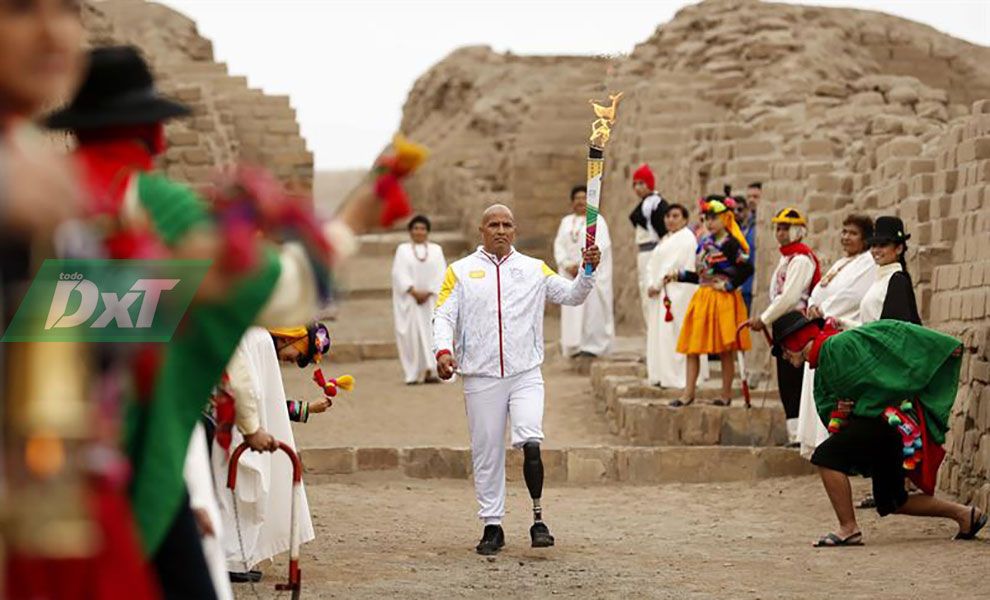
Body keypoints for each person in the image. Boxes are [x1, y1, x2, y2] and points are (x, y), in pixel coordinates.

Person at [433, 204, 600, 555]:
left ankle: (539, 520)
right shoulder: (460, 272)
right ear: (482, 230)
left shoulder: (533, 269)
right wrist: (443, 350)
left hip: (525, 372)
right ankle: (492, 526)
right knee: (487, 452)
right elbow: (444, 315)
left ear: (515, 230)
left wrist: (588, 269)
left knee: (531, 438)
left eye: (507, 224)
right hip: (481, 376)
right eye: (493, 224)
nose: (500, 230)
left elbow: (572, 295)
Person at [771, 311, 986, 546]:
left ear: (796, 341)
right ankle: (965, 515)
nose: (784, 356)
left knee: (825, 456)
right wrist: (841, 410)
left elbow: (891, 340)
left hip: (884, 424)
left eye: (783, 349)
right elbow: (834, 406)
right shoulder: (823, 364)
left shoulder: (838, 346)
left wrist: (941, 348)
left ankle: (848, 528)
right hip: (878, 428)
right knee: (892, 500)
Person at [212, 324, 329, 581]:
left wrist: (307, 409)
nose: (293, 360)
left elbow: (270, 403)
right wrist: (251, 428)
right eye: (300, 354)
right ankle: (230, 557)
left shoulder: (257, 338)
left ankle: (231, 556)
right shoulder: (258, 339)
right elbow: (250, 393)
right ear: (295, 335)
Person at [796, 214, 876, 458]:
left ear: (865, 239)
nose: (846, 237)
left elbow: (853, 296)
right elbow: (821, 289)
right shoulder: (841, 263)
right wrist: (813, 306)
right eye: (844, 231)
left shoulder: (867, 263)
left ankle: (830, 446)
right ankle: (815, 443)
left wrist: (824, 311)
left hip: (841, 331)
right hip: (821, 327)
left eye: (852, 233)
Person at [665, 197, 753, 407]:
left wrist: (729, 285)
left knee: (725, 350)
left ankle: (725, 395)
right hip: (703, 297)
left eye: (714, 218)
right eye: (707, 218)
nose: (710, 222)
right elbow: (700, 275)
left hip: (723, 300)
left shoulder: (732, 244)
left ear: (725, 218)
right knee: (692, 347)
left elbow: (747, 269)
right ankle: (688, 393)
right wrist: (680, 275)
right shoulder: (703, 244)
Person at [748, 207, 820, 445]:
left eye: (785, 228)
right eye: (777, 228)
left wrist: (765, 318)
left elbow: (789, 297)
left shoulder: (800, 260)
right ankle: (794, 433)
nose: (779, 233)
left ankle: (803, 434)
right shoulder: (786, 259)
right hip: (784, 325)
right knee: (786, 381)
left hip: (796, 325)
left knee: (795, 379)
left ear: (797, 230)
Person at [645, 204, 707, 387]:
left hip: (677, 292)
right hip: (661, 292)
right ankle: (662, 374)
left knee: (675, 334)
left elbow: (675, 265)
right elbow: (652, 264)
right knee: (662, 336)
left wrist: (657, 284)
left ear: (685, 219)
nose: (670, 219)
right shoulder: (666, 238)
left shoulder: (686, 239)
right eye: (668, 216)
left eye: (675, 216)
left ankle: (678, 377)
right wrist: (650, 284)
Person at [553, 184, 614, 357]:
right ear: (572, 202)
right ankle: (573, 345)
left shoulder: (597, 220)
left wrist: (582, 265)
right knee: (572, 308)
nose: (580, 201)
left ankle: (593, 346)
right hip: (569, 272)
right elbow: (559, 245)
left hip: (589, 270)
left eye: (584, 198)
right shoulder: (566, 222)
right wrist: (566, 264)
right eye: (577, 198)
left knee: (591, 309)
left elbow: (601, 245)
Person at [392, 214, 447, 383]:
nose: (419, 231)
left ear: (427, 231)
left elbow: (441, 272)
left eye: (422, 228)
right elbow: (398, 273)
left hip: (431, 301)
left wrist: (429, 291)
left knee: (433, 335)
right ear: (410, 231)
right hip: (411, 302)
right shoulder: (403, 250)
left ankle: (433, 371)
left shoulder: (436, 250)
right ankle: (414, 373)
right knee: (412, 337)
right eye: (416, 228)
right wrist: (413, 292)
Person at [839, 216, 921, 329]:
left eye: (883, 245)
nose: (876, 251)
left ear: (899, 249)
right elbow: (871, 327)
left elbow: (893, 330)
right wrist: (844, 323)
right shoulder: (880, 279)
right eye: (873, 245)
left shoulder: (897, 280)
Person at [627, 164, 668, 326]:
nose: (638, 188)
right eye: (635, 184)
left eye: (641, 183)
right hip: (644, 253)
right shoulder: (646, 203)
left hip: (652, 252)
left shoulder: (654, 203)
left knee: (651, 292)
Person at [733, 195, 757, 314]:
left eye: (740, 209)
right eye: (733, 210)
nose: (736, 213)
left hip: (748, 285)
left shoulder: (753, 230)